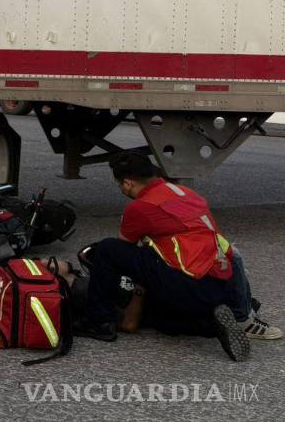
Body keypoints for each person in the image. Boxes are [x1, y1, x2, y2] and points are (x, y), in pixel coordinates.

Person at [75, 153, 280, 360]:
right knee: (164, 319)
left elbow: (123, 247)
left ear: (128, 183)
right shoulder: (187, 193)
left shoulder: (139, 207)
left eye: (120, 185)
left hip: (188, 284)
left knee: (107, 249)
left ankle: (99, 322)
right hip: (218, 285)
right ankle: (213, 324)